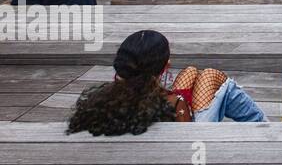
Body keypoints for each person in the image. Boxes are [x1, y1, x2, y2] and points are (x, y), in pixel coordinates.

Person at [67, 30, 265, 135]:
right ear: (163, 68)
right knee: (214, 78)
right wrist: (181, 104)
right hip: (187, 141)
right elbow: (184, 141)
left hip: (150, 125)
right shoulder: (174, 102)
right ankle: (264, 128)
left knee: (191, 72)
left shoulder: (106, 97)